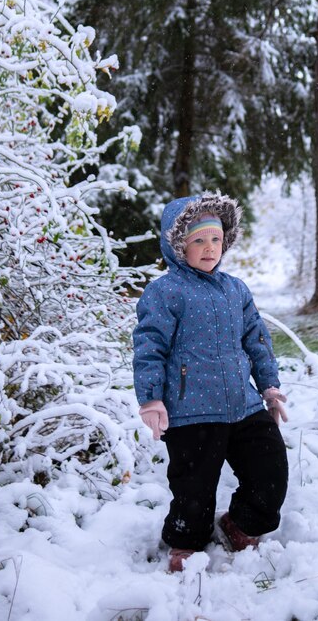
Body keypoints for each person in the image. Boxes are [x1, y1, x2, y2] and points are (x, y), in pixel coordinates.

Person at [132, 191, 289, 573]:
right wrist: (152, 399)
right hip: (191, 410)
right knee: (193, 488)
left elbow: (257, 341)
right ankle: (186, 542)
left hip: (243, 403)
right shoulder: (165, 291)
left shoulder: (236, 289)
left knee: (270, 470)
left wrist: (269, 387)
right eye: (198, 240)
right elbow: (149, 346)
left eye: (216, 239)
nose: (209, 248)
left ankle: (240, 524)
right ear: (177, 244)